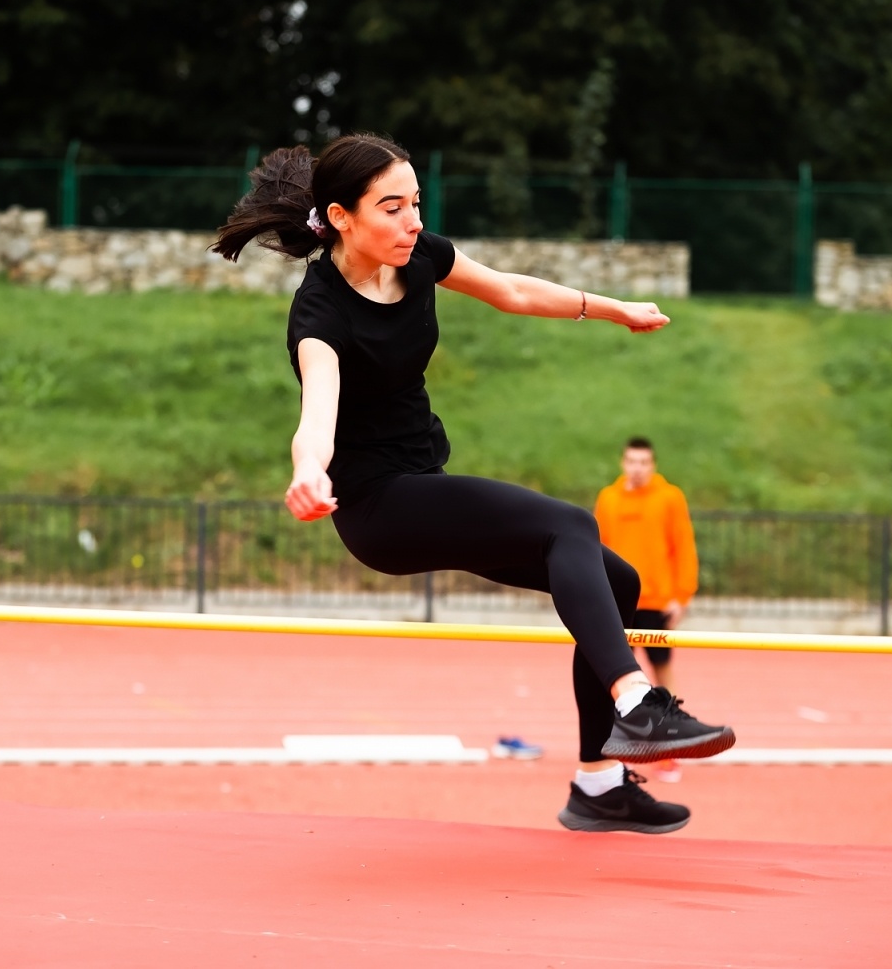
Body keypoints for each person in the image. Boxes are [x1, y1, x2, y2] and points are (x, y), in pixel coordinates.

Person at [213, 134, 735, 835]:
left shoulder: (419, 257)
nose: (413, 222)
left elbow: (512, 290)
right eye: (392, 208)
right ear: (340, 217)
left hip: (423, 483)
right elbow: (318, 416)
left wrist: (616, 309)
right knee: (571, 526)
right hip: (377, 508)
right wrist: (308, 474)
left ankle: (601, 785)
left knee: (618, 582)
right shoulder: (320, 315)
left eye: (416, 203)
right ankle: (637, 699)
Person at [593, 437, 700, 782]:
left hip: (656, 601)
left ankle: (670, 750)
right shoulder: (608, 499)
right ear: (622, 463)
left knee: (662, 675)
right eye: (631, 461)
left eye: (644, 462)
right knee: (614, 680)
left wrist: (681, 596)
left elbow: (682, 546)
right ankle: (613, 752)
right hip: (618, 602)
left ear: (652, 465)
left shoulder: (669, 498)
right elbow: (597, 549)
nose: (637, 468)